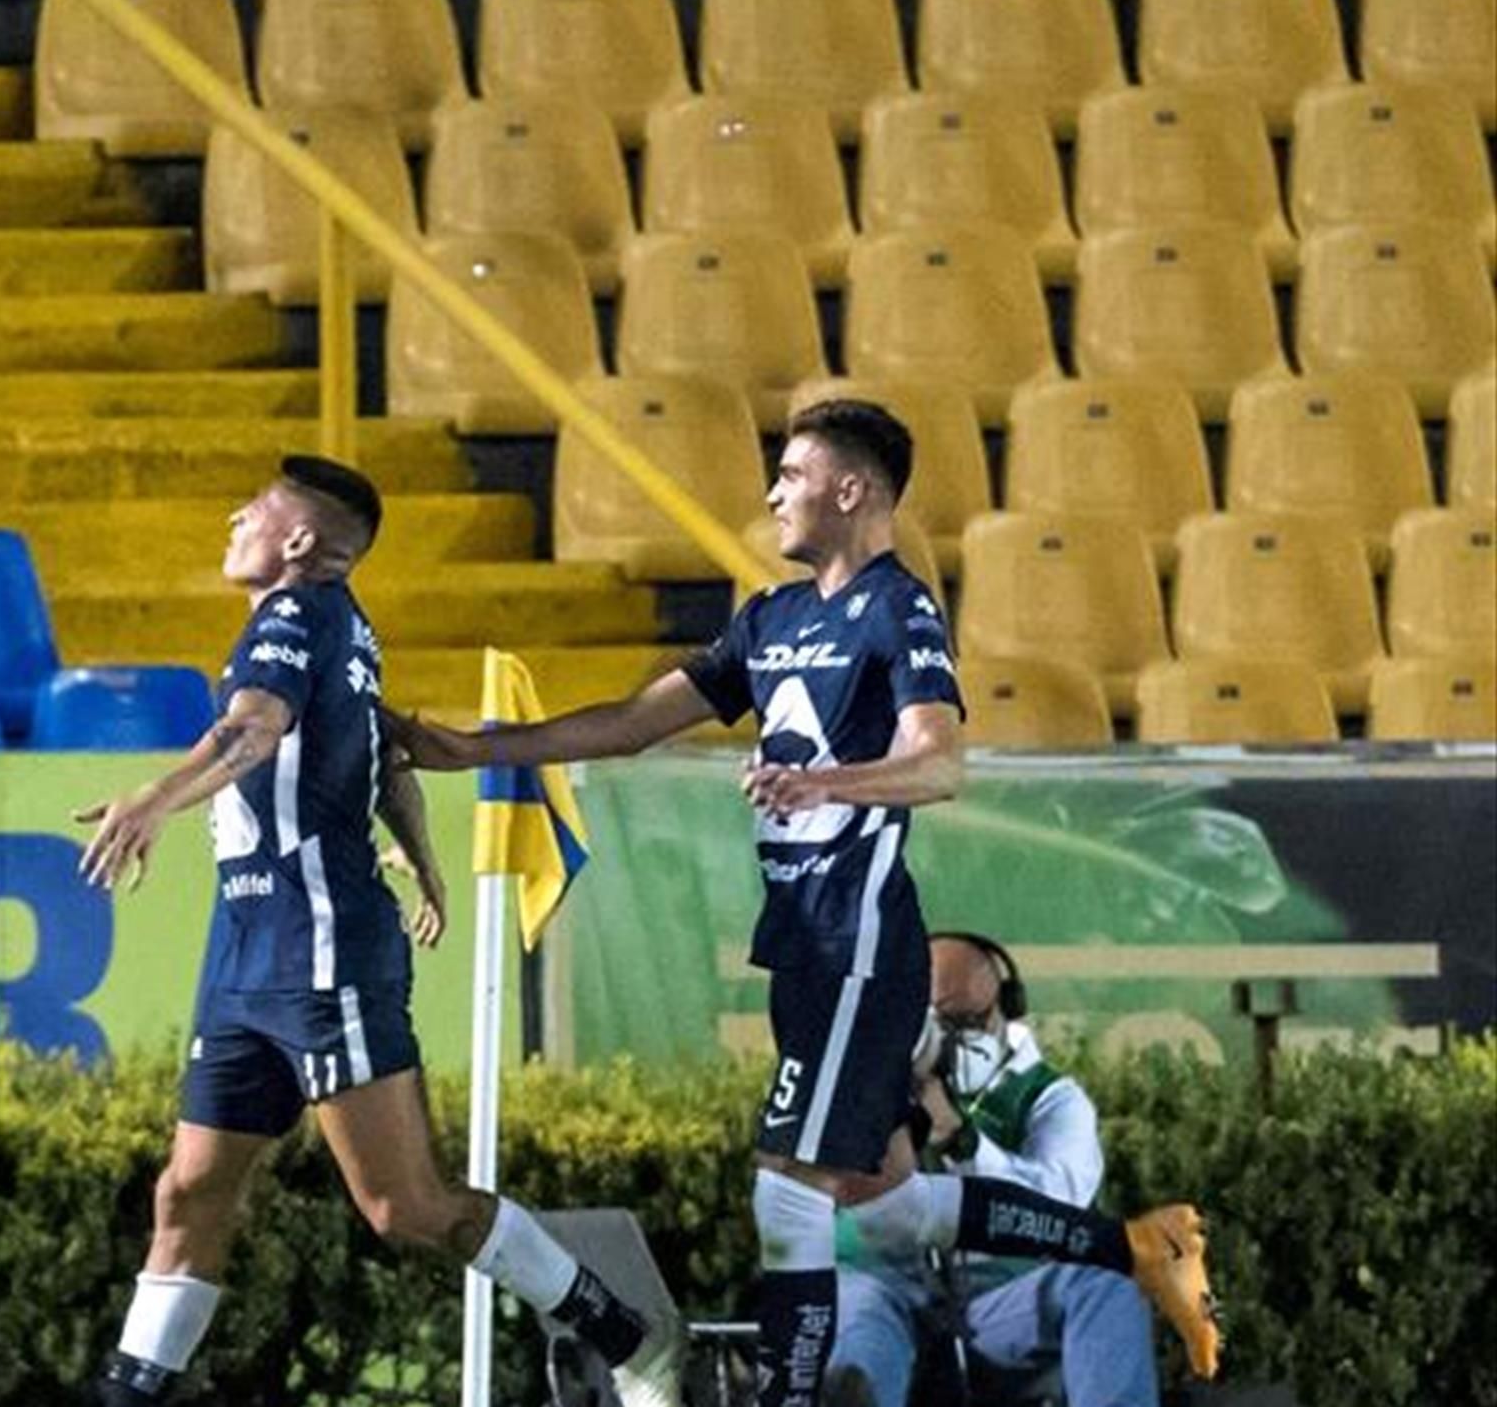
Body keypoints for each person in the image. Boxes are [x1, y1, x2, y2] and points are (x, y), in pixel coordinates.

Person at [386, 401, 1221, 1407]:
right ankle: (1133, 1244)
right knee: (891, 1205)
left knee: (788, 1193)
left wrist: (825, 783)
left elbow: (939, 761)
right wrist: (474, 749)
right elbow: (631, 724)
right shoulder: (768, 619)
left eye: (791, 472)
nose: (772, 491)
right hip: (804, 947)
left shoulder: (897, 608)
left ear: (850, 489)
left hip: (863, 946)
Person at [76, 458, 681, 1407]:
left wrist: (153, 799)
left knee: (408, 1208)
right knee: (189, 1192)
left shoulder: (291, 617)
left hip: (317, 949)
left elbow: (256, 732)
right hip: (246, 951)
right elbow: (386, 749)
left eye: (256, 509)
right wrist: (427, 860)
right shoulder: (345, 629)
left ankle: (633, 1342)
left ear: (301, 543)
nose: (235, 516)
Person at [826, 933, 1162, 1407]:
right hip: (886, 1286)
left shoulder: (1050, 1099)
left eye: (965, 1021)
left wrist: (962, 1142)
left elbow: (1056, 1207)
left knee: (1106, 1282)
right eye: (934, 1023)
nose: (948, 1039)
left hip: (996, 1301)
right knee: (860, 1318)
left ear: (1006, 1007)